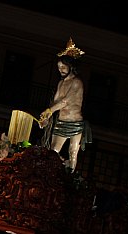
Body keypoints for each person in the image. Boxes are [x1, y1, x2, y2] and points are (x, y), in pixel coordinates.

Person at [38, 38, 91, 172]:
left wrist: (49, 111)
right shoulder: (61, 83)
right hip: (61, 123)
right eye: (59, 67)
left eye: (63, 67)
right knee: (53, 151)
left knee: (73, 152)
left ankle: (71, 179)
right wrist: (46, 116)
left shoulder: (77, 82)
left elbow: (65, 101)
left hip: (75, 123)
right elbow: (55, 102)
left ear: (70, 66)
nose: (60, 70)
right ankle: (50, 174)